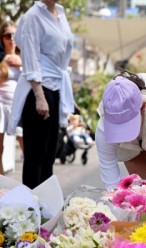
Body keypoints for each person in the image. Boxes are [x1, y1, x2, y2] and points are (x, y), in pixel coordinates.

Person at [8, 0, 75, 189]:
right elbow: (30, 57)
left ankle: (46, 209)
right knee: (35, 156)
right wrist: (39, 96)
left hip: (55, 87)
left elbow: (61, 58)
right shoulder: (32, 16)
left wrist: (66, 95)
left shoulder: (60, 14)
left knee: (48, 155)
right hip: (38, 88)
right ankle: (32, 209)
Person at [0, 20, 24, 175]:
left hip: (19, 105)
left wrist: (21, 63)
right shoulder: (0, 58)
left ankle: (33, 184)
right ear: (2, 38)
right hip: (1, 105)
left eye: (15, 34)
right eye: (8, 35)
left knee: (26, 144)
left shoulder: (24, 56)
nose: (12, 38)